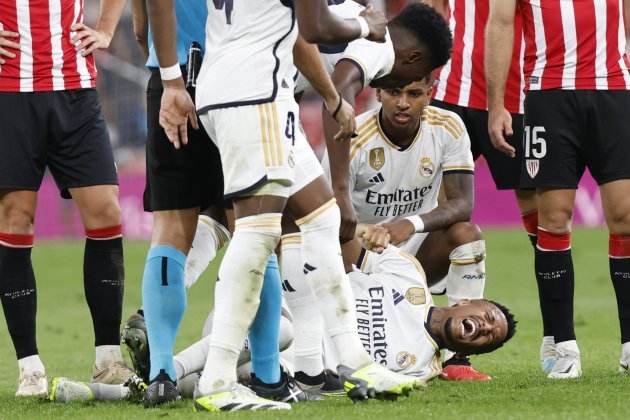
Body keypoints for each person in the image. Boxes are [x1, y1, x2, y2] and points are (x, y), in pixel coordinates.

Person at [149, 0, 425, 412]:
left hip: (246, 88)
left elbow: (293, 31)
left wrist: (331, 98)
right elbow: (316, 26)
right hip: (254, 95)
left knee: (321, 216)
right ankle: (218, 379)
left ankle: (352, 358)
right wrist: (364, 26)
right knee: (259, 233)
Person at [50, 227, 517, 403]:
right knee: (286, 331)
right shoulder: (408, 273)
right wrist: (360, 233)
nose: (487, 329)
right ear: (466, 301)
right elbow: (338, 248)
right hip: (260, 318)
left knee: (218, 386)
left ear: (470, 346)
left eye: (489, 339)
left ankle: (110, 391)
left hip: (272, 374)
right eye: (491, 316)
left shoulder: (419, 366)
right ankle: (167, 371)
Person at [486, 0, 630, 379]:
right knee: (553, 218)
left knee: (625, 216)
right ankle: (562, 343)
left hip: (614, 90)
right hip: (549, 96)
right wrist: (497, 104)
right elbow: (500, 23)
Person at [0, 0, 132, 397]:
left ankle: (108, 360)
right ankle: (29, 366)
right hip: (10, 90)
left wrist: (106, 29)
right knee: (15, 217)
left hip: (74, 88)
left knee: (106, 210)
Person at [419, 0, 535, 380]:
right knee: (437, 213)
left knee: (540, 211)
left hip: (516, 95)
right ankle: (423, 328)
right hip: (451, 91)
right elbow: (432, 8)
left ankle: (559, 338)